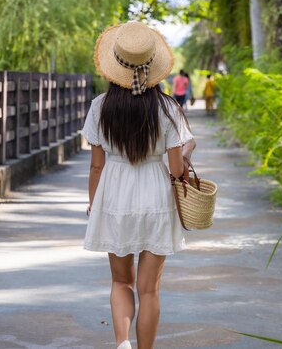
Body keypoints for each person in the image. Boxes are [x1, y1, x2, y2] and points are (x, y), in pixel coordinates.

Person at [82, 21, 196, 349]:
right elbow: (176, 171)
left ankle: (122, 344)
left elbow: (96, 165)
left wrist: (95, 204)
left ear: (114, 66)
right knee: (149, 290)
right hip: (156, 196)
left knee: (120, 282)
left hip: (113, 195)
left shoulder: (100, 107)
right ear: (154, 67)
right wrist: (187, 151)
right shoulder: (168, 108)